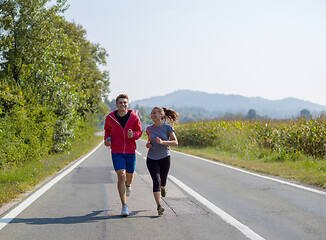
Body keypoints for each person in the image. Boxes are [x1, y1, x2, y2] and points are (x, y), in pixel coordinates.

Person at [104, 94, 142, 217]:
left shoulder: (134, 117)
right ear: (117, 105)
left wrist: (134, 135)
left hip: (130, 151)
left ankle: (128, 185)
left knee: (129, 178)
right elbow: (107, 131)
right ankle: (124, 205)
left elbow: (139, 131)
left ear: (128, 104)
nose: (123, 104)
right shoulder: (110, 117)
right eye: (120, 103)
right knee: (121, 175)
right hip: (116, 151)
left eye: (125, 102)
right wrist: (107, 140)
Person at [145, 106, 179, 216]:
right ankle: (159, 205)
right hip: (151, 159)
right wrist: (148, 144)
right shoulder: (149, 128)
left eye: (155, 113)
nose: (152, 115)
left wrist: (163, 142)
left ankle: (163, 188)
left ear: (161, 115)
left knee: (162, 182)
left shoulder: (167, 128)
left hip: (165, 158)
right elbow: (149, 141)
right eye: (151, 113)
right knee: (156, 181)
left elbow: (175, 142)